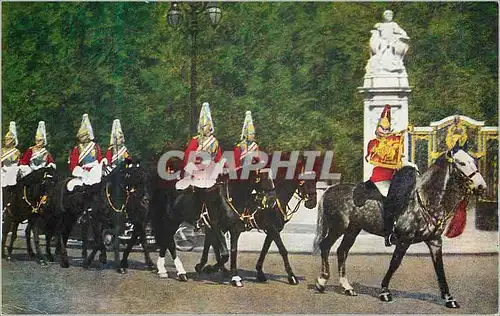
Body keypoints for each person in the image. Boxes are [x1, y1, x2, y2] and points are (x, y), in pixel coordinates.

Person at [364, 104, 406, 247]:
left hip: (394, 178)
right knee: (390, 201)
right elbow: (370, 157)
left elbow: (398, 158)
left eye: (387, 129)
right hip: (380, 179)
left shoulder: (394, 141)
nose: (385, 131)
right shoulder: (373, 143)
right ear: (378, 129)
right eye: (383, 128)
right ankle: (388, 234)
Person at [176, 102, 224, 190]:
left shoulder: (215, 141)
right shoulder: (196, 140)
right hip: (196, 170)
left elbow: (218, 156)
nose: (207, 129)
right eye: (205, 126)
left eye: (208, 126)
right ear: (201, 127)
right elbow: (188, 156)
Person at [67, 114, 104, 192]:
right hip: (84, 173)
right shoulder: (77, 149)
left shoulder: (95, 146)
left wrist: (103, 162)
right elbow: (73, 163)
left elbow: (99, 158)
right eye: (80, 136)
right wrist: (81, 172)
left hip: (96, 170)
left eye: (83, 136)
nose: (81, 138)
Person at [1, 122, 21, 210]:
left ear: (13, 141)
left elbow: (18, 162)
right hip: (4, 171)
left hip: (13, 171)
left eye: (8, 139)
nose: (6, 141)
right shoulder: (2, 151)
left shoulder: (16, 151)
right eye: (5, 139)